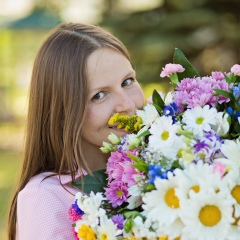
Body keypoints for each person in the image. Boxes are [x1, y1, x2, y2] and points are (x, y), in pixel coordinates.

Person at [7, 22, 145, 239]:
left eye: (127, 81)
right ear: (63, 112)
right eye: (99, 95)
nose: (127, 104)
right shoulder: (45, 198)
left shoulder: (157, 163)